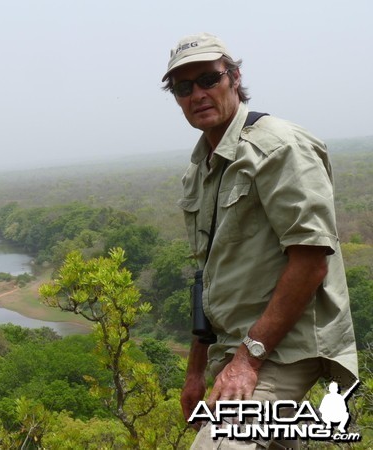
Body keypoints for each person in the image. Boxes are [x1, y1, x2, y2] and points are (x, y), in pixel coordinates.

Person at [161, 32, 358, 449]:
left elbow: (310, 261)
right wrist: (196, 371)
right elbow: (207, 278)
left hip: (283, 346)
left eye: (209, 79)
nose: (197, 94)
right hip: (236, 347)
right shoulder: (199, 171)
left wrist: (247, 360)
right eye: (184, 87)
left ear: (234, 77)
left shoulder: (278, 146)